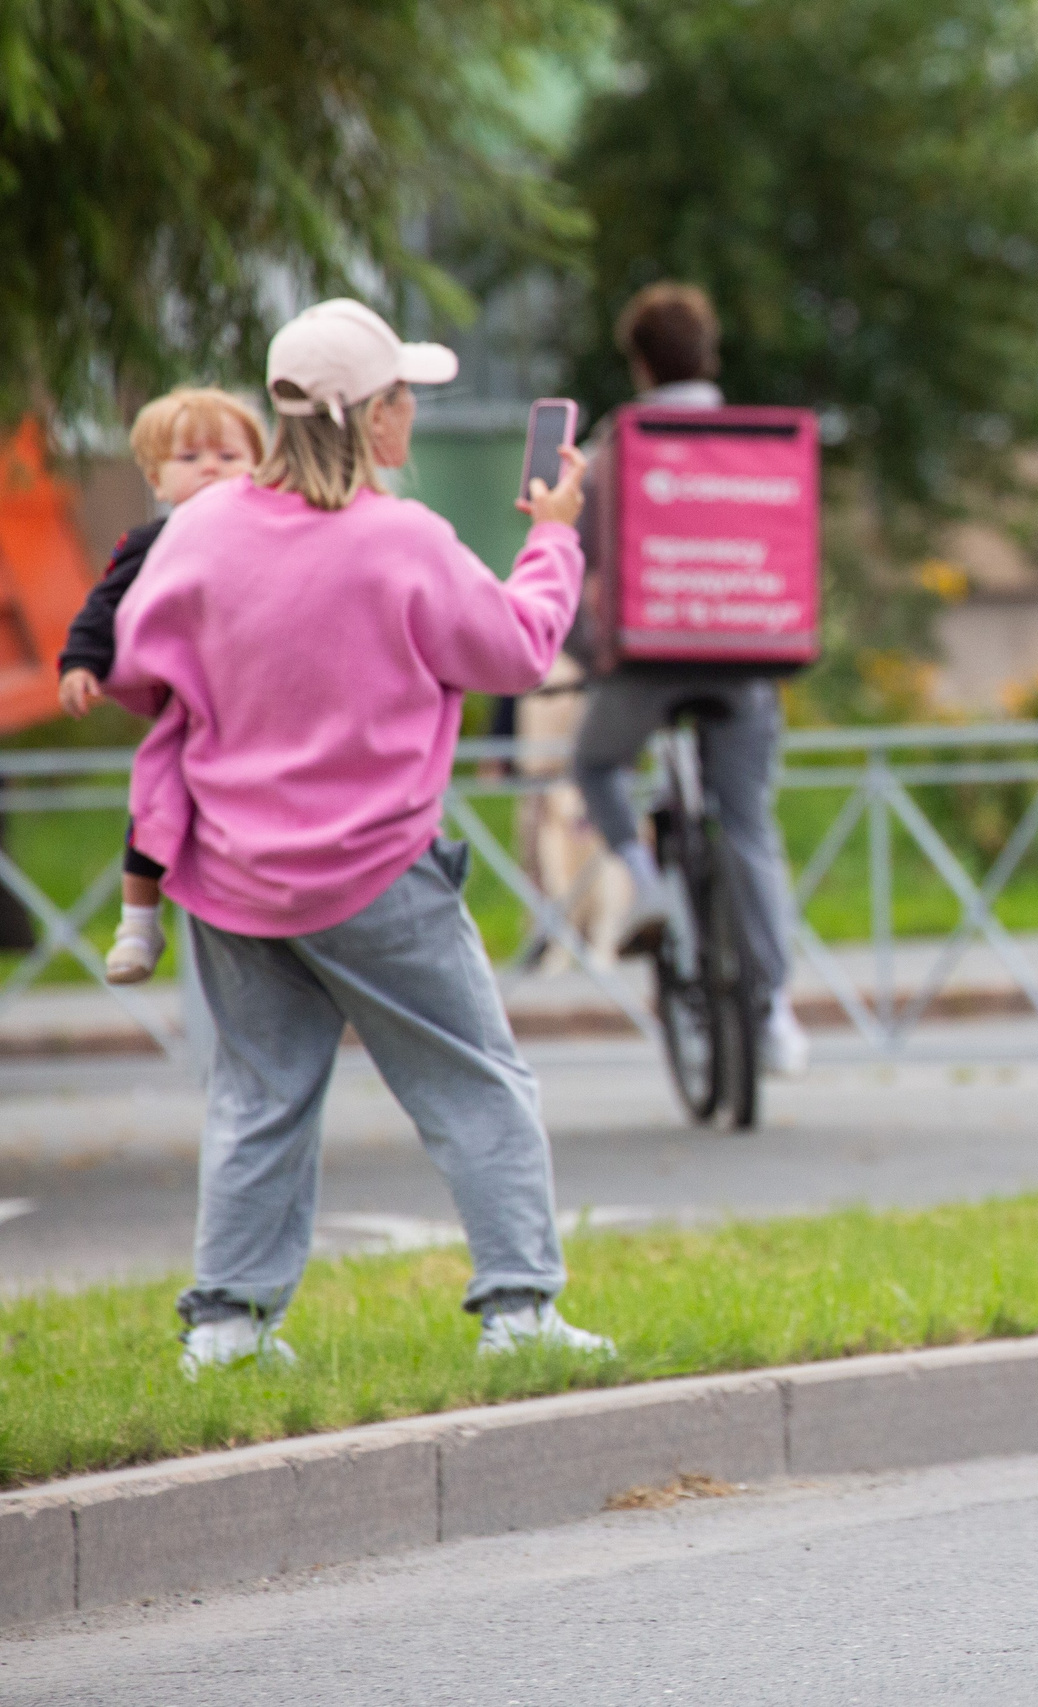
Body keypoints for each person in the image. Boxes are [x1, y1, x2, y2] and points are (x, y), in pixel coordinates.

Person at [106, 298, 613, 1375]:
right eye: (406, 401)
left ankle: (229, 1329)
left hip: (230, 873)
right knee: (475, 1079)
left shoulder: (199, 530)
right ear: (375, 419)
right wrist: (554, 535)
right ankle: (520, 1312)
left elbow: (139, 672)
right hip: (377, 869)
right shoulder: (403, 540)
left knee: (257, 1096)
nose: (412, 420)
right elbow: (518, 652)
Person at [570, 282, 809, 1076]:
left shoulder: (617, 449)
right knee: (748, 827)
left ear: (639, 363)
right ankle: (773, 1011)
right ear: (711, 353)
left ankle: (645, 885)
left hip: (644, 664)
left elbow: (573, 567)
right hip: (744, 665)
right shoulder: (757, 443)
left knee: (596, 763)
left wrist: (584, 655)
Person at [55, 388, 267, 983]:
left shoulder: (271, 533)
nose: (211, 468)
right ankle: (139, 923)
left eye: (229, 456)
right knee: (156, 798)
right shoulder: (151, 543)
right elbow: (102, 607)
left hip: (255, 699)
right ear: (156, 478)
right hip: (188, 707)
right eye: (190, 457)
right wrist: (82, 664)